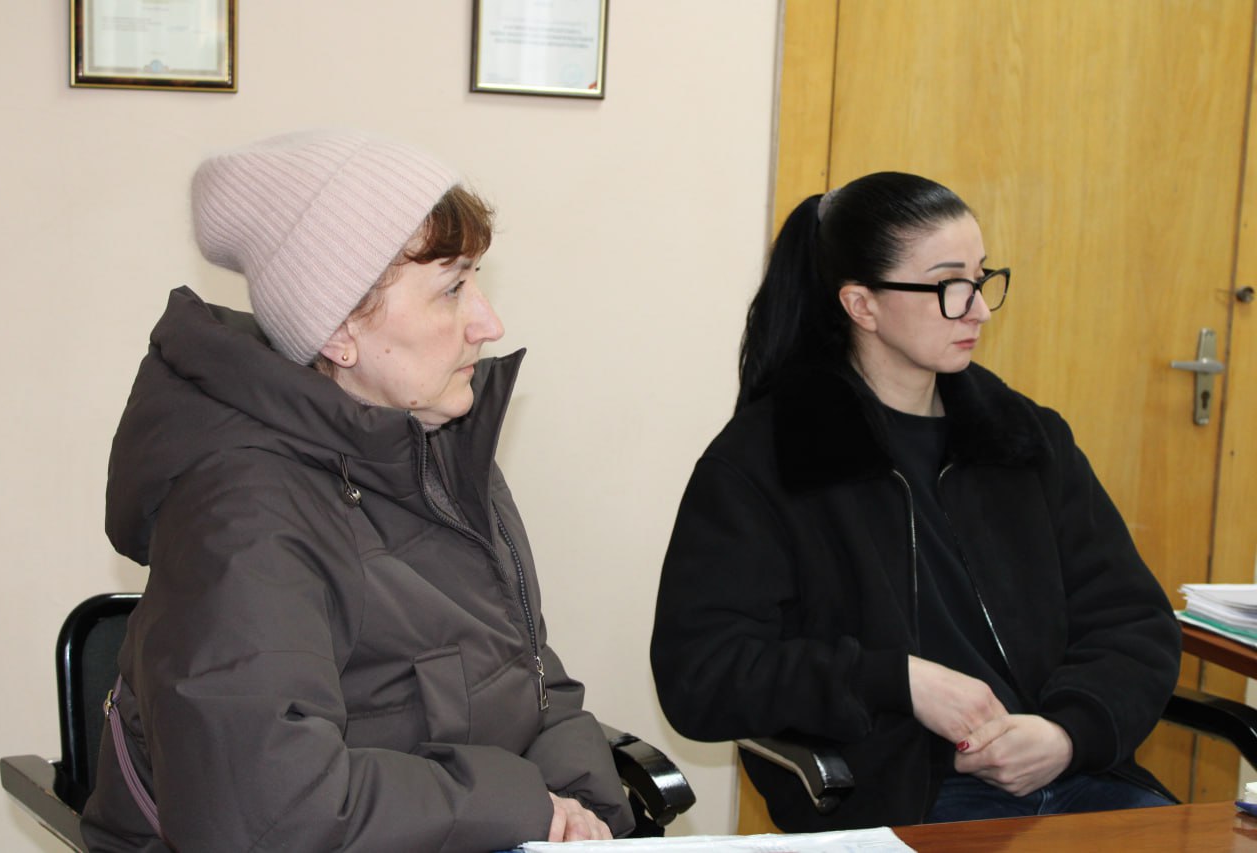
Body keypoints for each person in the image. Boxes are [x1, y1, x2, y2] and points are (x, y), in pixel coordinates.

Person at [81, 130, 635, 852]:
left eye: (476, 281)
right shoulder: (242, 512)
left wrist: (580, 803)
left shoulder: (435, 447)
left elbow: (525, 672)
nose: (488, 323)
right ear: (340, 330)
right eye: (451, 289)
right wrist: (524, 804)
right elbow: (265, 812)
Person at [649, 172, 1181, 831]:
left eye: (982, 279)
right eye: (950, 286)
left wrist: (1068, 732)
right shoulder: (768, 462)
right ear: (862, 305)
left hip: (1075, 777)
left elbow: (1133, 619)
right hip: (907, 800)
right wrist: (896, 681)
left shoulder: (1023, 439)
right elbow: (703, 674)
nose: (979, 310)